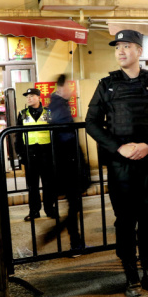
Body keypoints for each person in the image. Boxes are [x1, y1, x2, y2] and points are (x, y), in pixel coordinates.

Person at [85, 30, 148, 297]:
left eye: (127, 47)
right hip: (120, 165)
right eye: (118, 48)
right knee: (125, 221)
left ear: (139, 51)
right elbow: (91, 122)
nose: (121, 52)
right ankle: (130, 274)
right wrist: (119, 147)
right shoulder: (106, 85)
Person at [45, 75, 86, 251]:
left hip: (67, 160)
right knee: (74, 202)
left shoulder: (58, 104)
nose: (71, 90)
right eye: (69, 87)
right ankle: (73, 240)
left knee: (74, 203)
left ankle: (74, 239)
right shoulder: (58, 105)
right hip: (67, 161)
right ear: (61, 89)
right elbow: (64, 134)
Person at [16, 87, 57, 221]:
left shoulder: (49, 113)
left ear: (39, 97)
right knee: (32, 184)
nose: (29, 98)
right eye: (27, 96)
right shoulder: (22, 113)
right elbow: (18, 135)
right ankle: (34, 211)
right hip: (30, 152)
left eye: (32, 96)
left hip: (46, 152)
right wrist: (20, 153)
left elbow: (55, 133)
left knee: (48, 183)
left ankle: (50, 209)